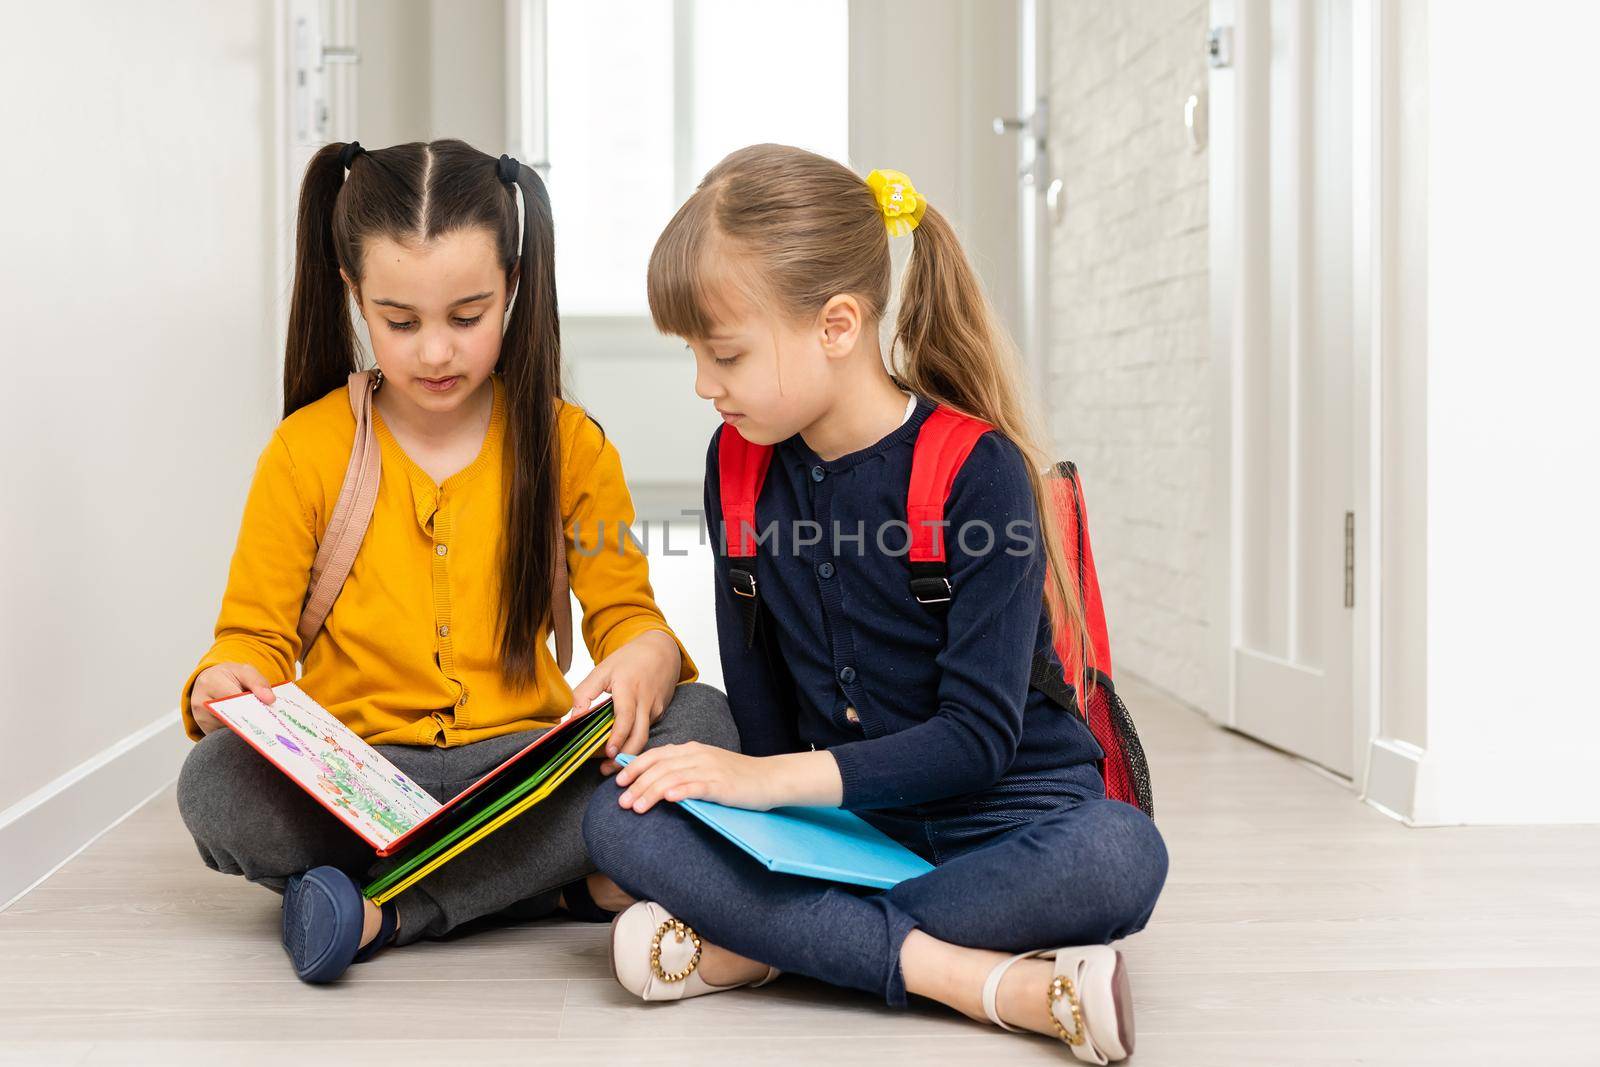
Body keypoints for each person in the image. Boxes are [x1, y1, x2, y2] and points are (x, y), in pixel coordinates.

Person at [582, 145, 1166, 1063]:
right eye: (695, 354)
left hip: (1011, 817)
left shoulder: (979, 473)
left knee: (1122, 856)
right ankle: (980, 979)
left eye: (725, 353)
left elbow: (979, 739)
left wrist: (764, 788)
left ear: (838, 325)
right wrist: (755, 794)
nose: (704, 383)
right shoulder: (735, 467)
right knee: (616, 818)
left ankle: (764, 945)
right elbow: (766, 713)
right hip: (852, 829)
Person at [176, 138, 736, 985]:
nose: (434, 352)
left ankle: (383, 910)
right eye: (400, 322)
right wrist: (226, 681)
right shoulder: (305, 451)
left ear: (513, 287)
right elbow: (253, 638)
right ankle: (558, 888)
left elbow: (627, 617)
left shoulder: (571, 446)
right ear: (353, 294)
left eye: (466, 317)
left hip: (522, 770)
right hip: (362, 781)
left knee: (705, 721)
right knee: (214, 784)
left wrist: (648, 653)